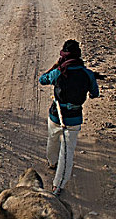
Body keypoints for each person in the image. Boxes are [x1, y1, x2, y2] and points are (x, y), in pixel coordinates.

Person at [39, 39, 99, 196]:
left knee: (53, 139)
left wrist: (55, 66)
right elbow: (95, 93)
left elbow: (42, 80)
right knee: (68, 151)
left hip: (56, 114)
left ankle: (52, 163)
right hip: (74, 118)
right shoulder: (87, 74)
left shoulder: (59, 71)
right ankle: (58, 185)